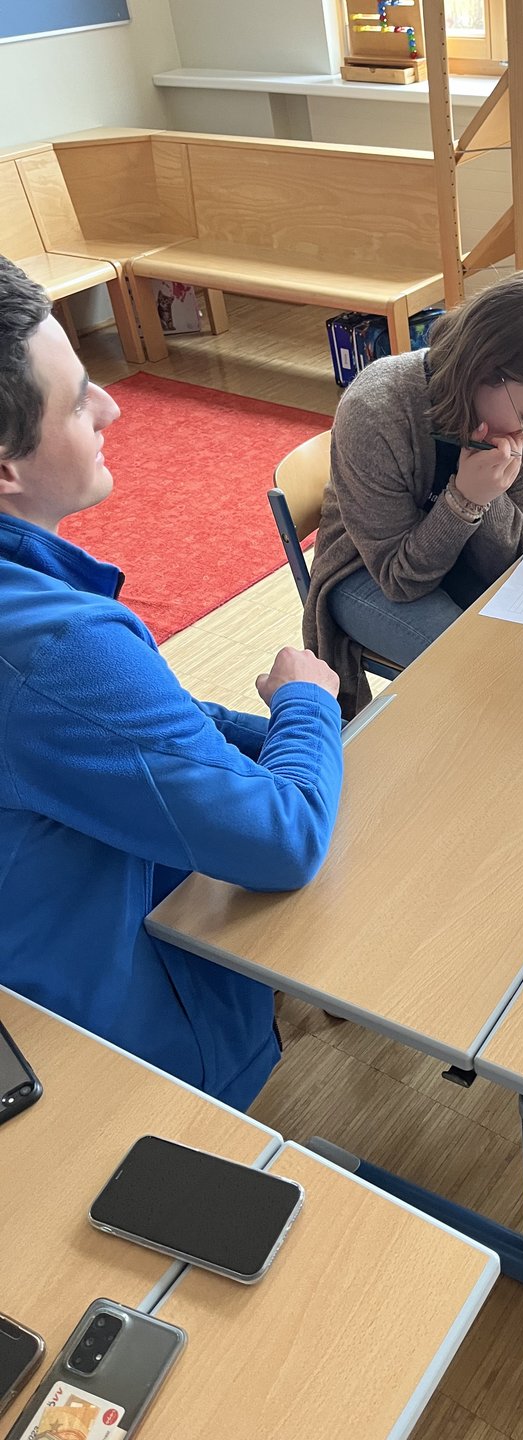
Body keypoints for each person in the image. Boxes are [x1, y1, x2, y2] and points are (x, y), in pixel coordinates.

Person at [0, 256, 344, 1110]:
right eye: (77, 400)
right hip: (112, 1044)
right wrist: (306, 703)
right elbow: (282, 839)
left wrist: (276, 733)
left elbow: (140, 726)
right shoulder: (58, 646)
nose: (112, 406)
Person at [305, 267, 523, 718]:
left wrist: (485, 498)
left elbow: (520, 559)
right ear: (483, 369)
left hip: (459, 561)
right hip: (366, 571)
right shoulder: (376, 409)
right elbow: (399, 580)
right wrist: (466, 501)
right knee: (488, 668)